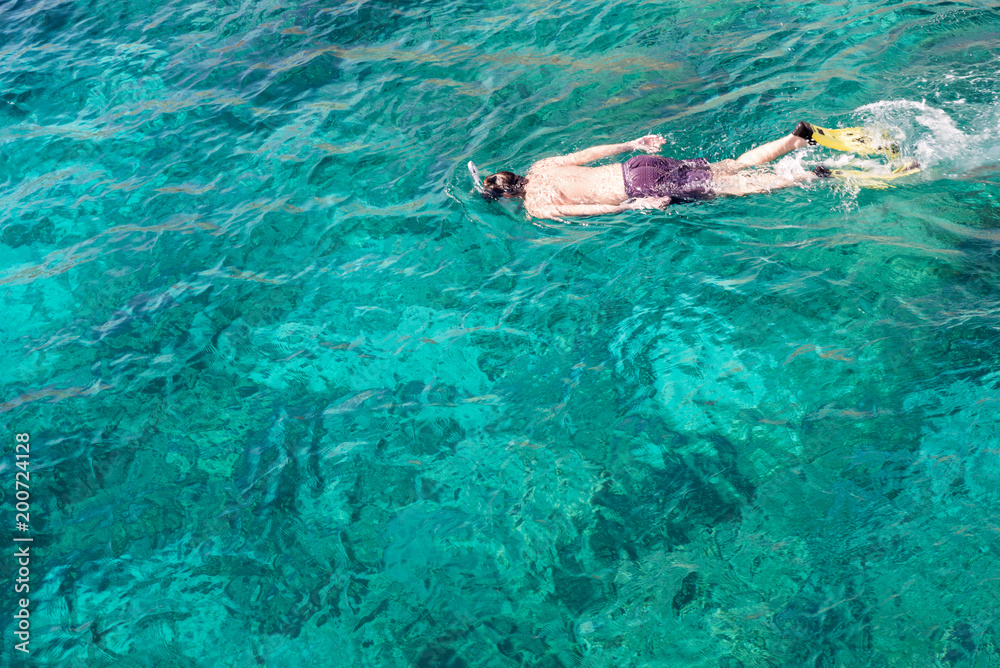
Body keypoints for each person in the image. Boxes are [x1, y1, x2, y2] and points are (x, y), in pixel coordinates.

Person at [480, 122, 828, 220]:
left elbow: (585, 210)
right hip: (636, 164)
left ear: (508, 194)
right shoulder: (542, 166)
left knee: (730, 188)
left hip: (638, 186)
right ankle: (794, 141)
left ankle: (808, 175)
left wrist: (630, 207)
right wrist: (632, 143)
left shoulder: (536, 206)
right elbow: (589, 153)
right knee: (730, 167)